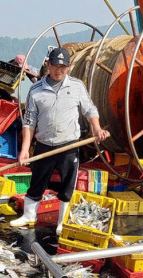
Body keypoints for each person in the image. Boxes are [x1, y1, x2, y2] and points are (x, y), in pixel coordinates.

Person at [9, 47, 110, 234]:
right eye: (55, 66)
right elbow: (29, 121)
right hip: (44, 145)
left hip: (69, 145)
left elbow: (90, 109)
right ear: (48, 64)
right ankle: (30, 215)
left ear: (69, 67)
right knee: (37, 181)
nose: (59, 71)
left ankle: (62, 221)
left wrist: (96, 129)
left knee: (67, 184)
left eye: (63, 67)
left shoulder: (77, 86)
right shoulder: (36, 90)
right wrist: (24, 150)